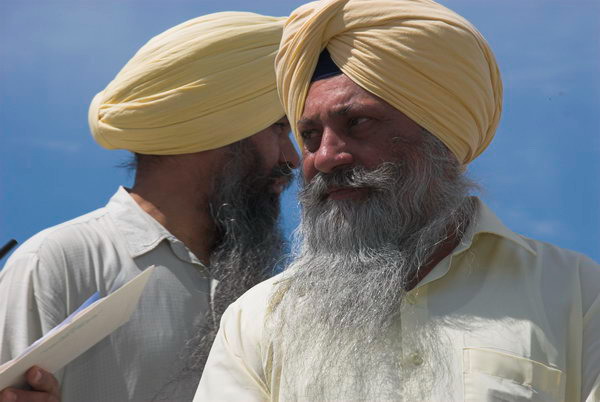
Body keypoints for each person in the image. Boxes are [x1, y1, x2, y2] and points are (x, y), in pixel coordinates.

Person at [195, 0, 600, 401]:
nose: (325, 157)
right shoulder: (258, 319)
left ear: (441, 136)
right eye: (310, 136)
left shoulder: (576, 293)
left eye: (358, 123)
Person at [0, 11, 299, 402]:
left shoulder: (266, 289)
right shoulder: (59, 262)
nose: (293, 158)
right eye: (279, 128)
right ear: (212, 126)